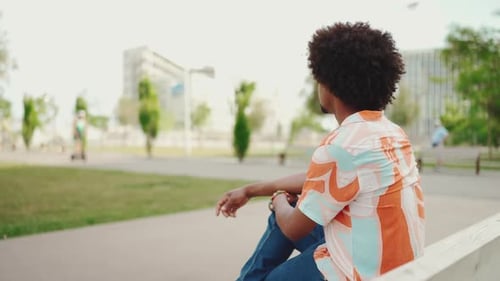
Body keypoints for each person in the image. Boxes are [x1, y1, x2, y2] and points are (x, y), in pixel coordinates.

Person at [215, 22, 425, 281]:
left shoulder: (341, 145)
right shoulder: (391, 133)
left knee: (283, 218)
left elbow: (293, 228)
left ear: (330, 85)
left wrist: (279, 198)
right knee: (287, 211)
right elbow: (323, 179)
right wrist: (251, 190)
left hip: (362, 274)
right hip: (397, 263)